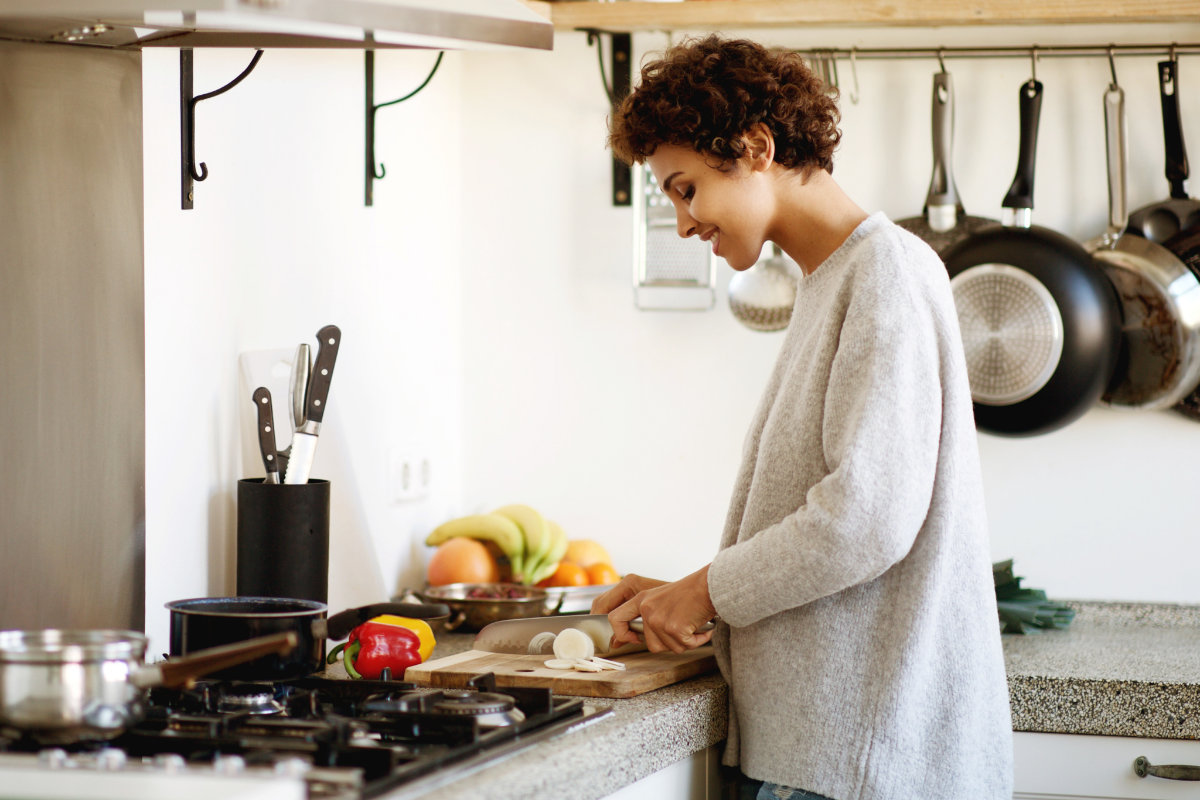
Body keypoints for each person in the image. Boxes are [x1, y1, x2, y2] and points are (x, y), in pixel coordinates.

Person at [593, 35, 1013, 800]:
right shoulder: (832, 281)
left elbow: (865, 518)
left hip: (858, 763)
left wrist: (708, 591)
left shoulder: (883, 272)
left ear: (755, 147)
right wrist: (691, 593)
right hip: (833, 755)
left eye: (686, 188)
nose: (684, 222)